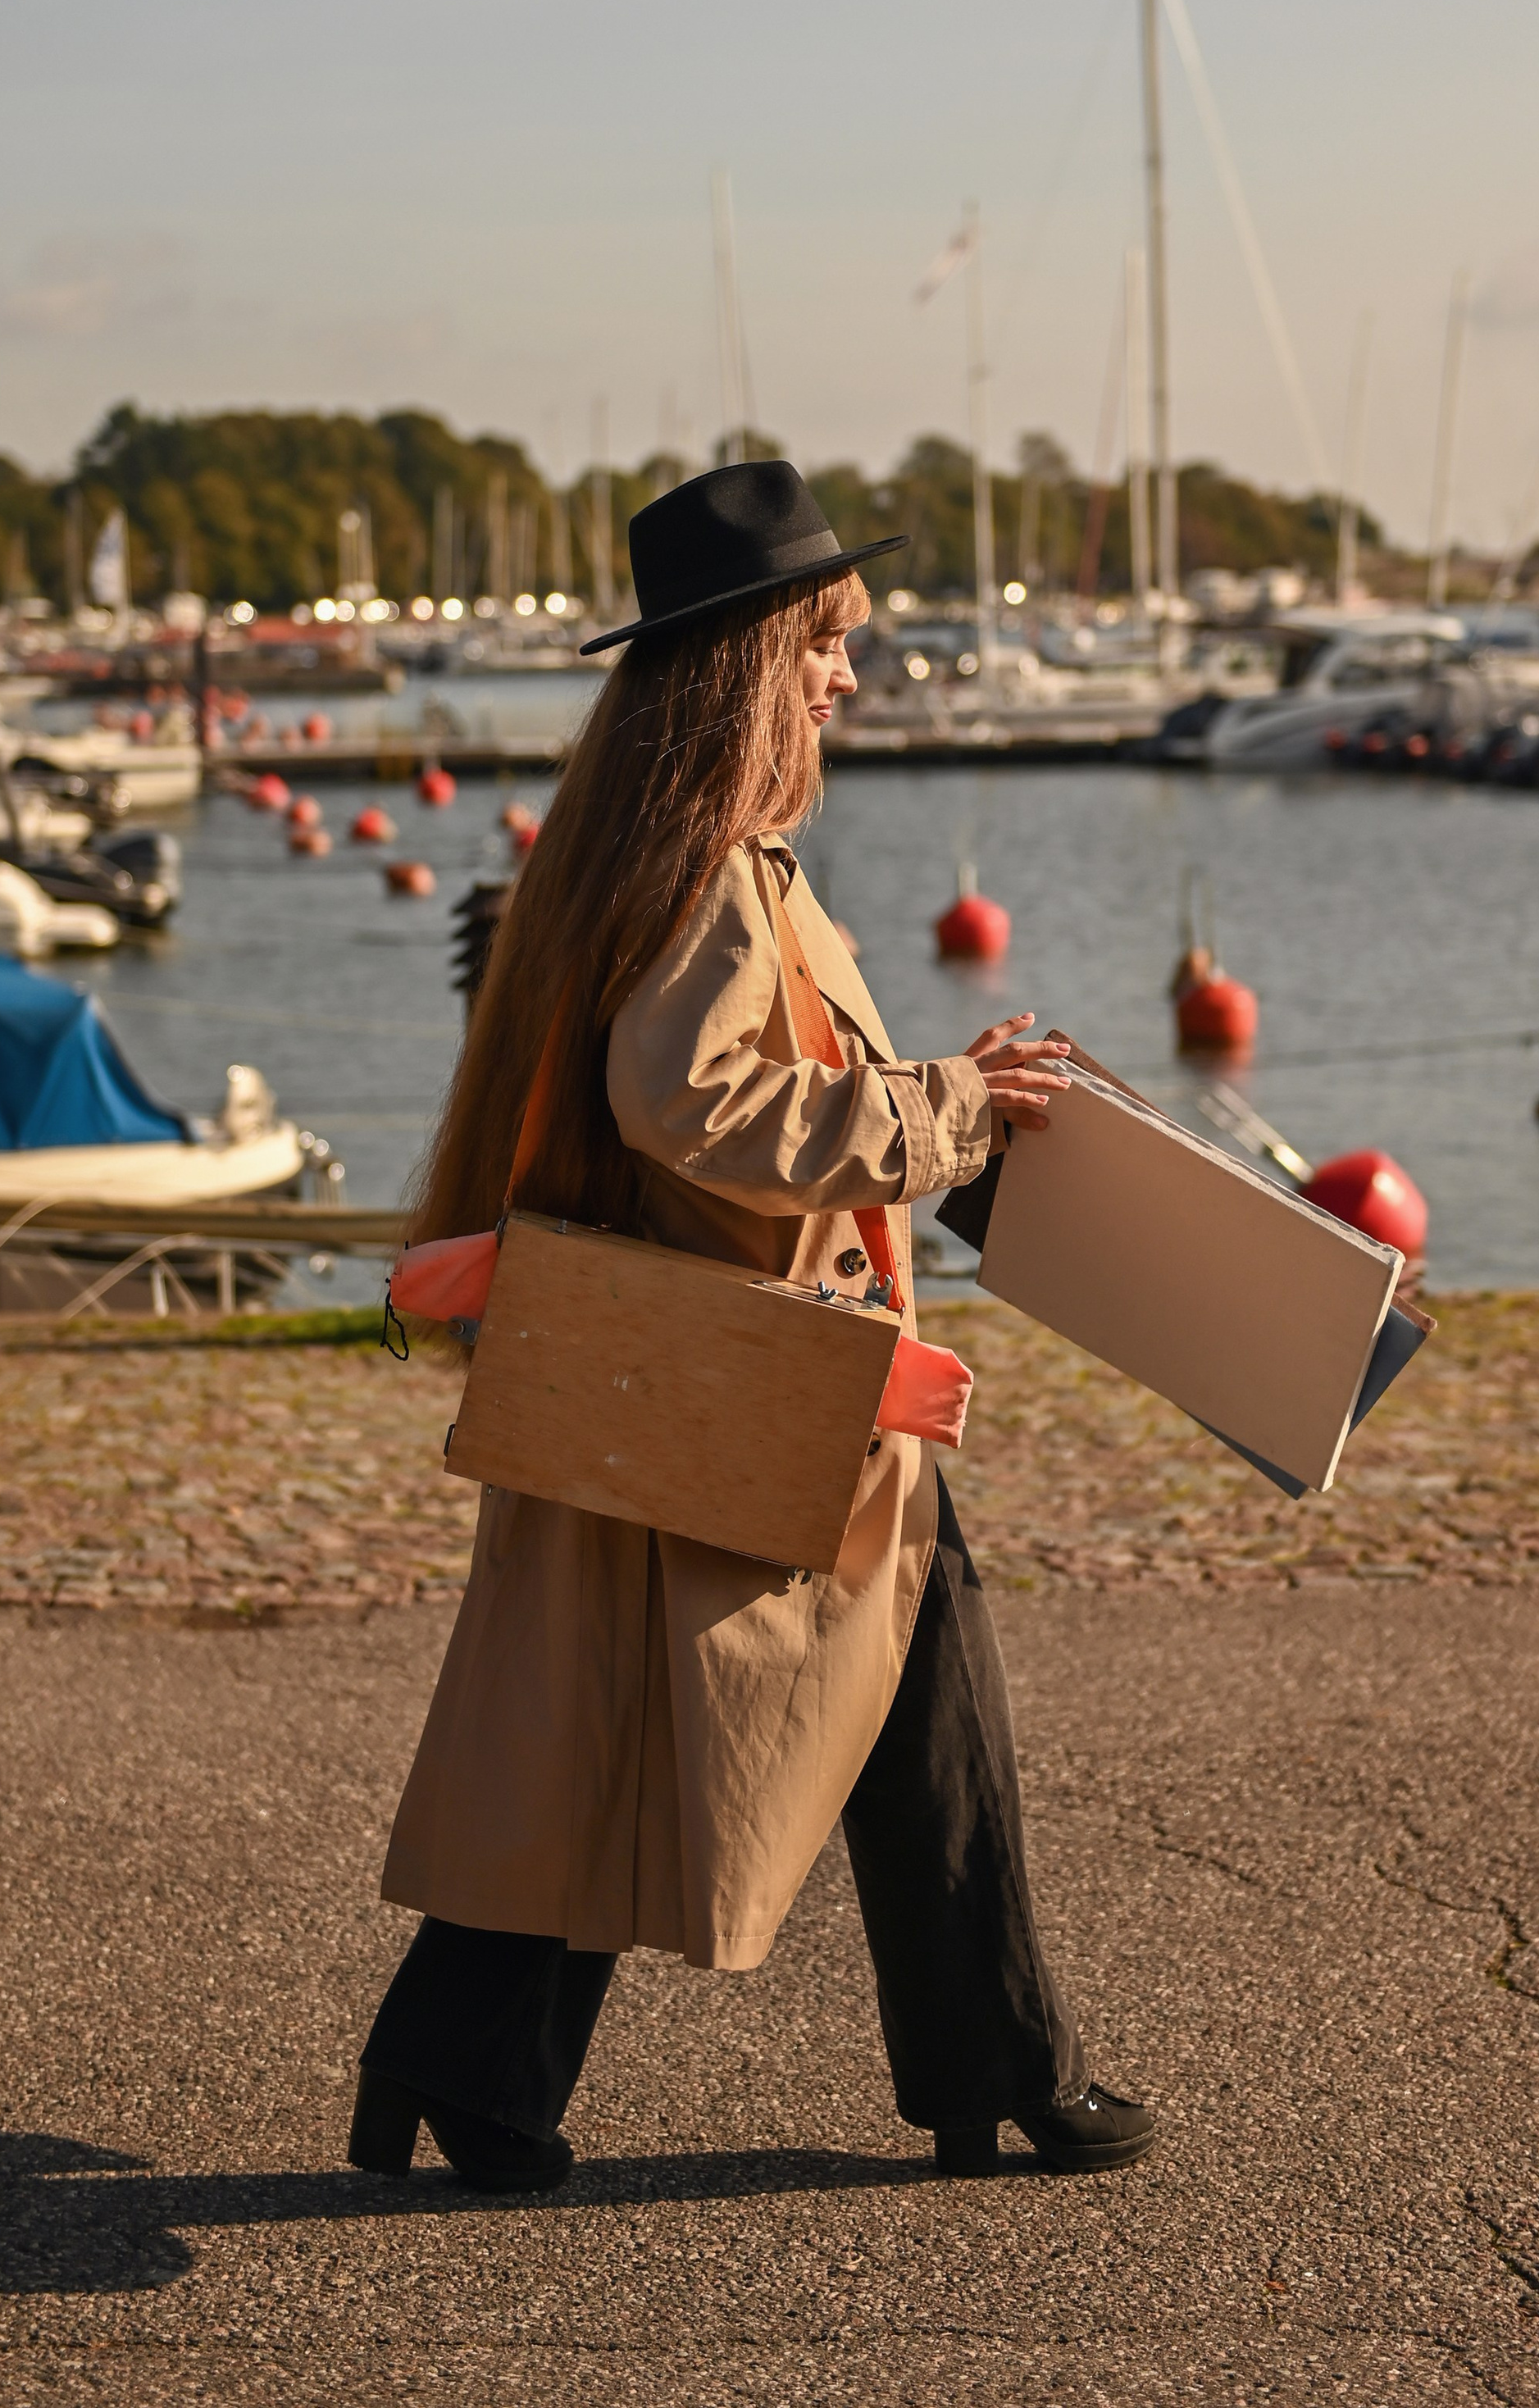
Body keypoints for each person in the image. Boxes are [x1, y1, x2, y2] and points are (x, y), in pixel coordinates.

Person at [352, 462, 1154, 2192]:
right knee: (856, 1708)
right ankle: (991, 2068)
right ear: (744, 667)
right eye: (822, 644)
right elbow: (694, 1101)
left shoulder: (665, 851)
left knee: (637, 1726)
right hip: (755, 1385)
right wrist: (947, 1104)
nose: (845, 676)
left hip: (690, 1378)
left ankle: (470, 2066)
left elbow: (728, 1086)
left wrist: (948, 1086)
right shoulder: (714, 869)